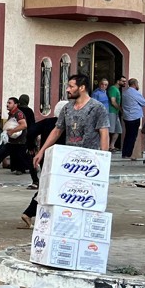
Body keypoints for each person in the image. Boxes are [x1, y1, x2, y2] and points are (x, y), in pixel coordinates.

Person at [22, 74, 110, 227]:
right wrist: (41, 151)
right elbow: (57, 130)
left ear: (81, 88)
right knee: (63, 191)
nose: (68, 89)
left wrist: (104, 158)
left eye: (71, 86)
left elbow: (104, 132)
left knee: (86, 193)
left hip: (89, 161)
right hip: (69, 160)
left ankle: (84, 224)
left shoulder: (97, 108)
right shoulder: (67, 108)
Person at [120, 78, 145, 159]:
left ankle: (124, 153)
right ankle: (128, 154)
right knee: (132, 136)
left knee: (127, 135)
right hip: (134, 117)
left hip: (126, 117)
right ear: (134, 84)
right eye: (137, 83)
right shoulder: (135, 93)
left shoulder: (125, 92)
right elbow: (144, 103)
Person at [108, 76, 125, 152]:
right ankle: (107, 146)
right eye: (123, 81)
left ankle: (112, 146)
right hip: (111, 112)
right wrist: (121, 109)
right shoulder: (113, 89)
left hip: (115, 112)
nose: (124, 83)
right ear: (118, 81)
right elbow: (113, 101)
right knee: (110, 130)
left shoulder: (117, 89)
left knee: (118, 130)